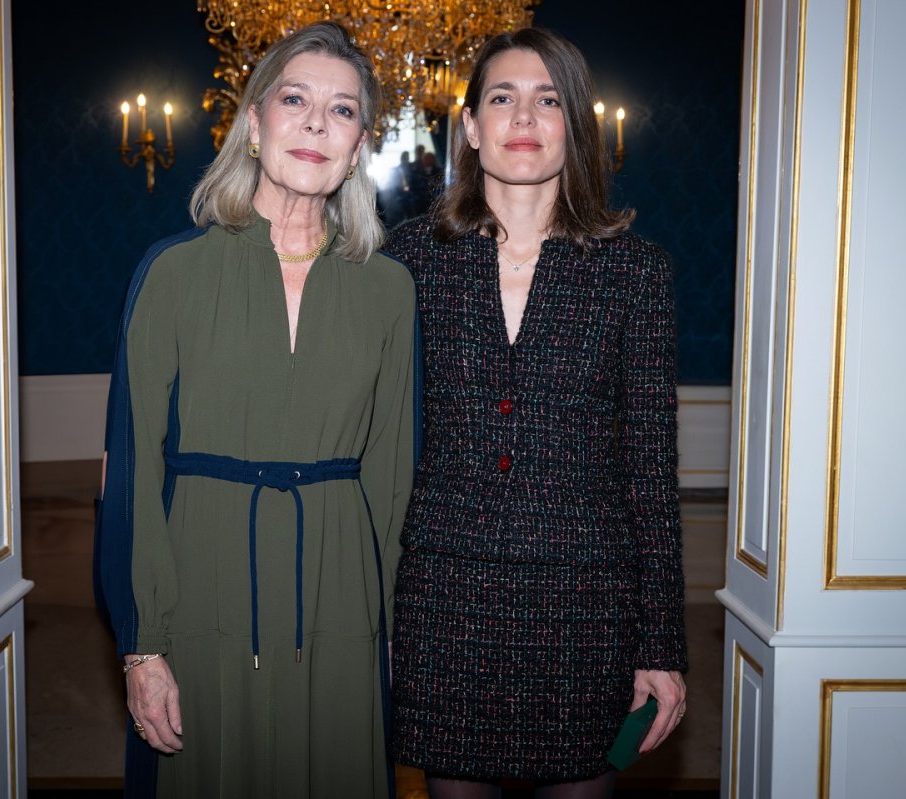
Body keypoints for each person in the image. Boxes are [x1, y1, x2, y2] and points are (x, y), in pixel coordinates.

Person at [95, 21, 418, 799]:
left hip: (341, 597)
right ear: (253, 122)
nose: (315, 123)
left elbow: (394, 478)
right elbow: (131, 470)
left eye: (342, 111)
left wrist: (391, 639)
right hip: (204, 583)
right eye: (296, 100)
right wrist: (143, 649)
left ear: (359, 144)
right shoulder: (173, 272)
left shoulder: (389, 288)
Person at [385, 27, 687, 798]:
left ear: (574, 125)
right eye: (503, 98)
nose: (524, 118)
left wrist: (662, 646)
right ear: (473, 127)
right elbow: (376, 449)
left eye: (548, 99)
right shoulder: (405, 259)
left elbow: (650, 473)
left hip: (588, 613)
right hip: (444, 602)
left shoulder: (635, 272)